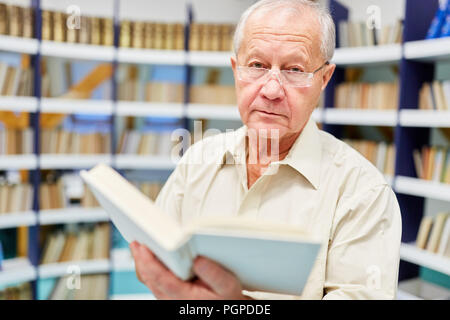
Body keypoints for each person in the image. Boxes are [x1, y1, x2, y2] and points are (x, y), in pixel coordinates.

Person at [129, 0, 402, 300]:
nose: (271, 90)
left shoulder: (364, 194)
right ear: (236, 70)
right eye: (257, 66)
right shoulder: (197, 160)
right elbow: (155, 258)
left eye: (294, 70)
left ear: (324, 79)